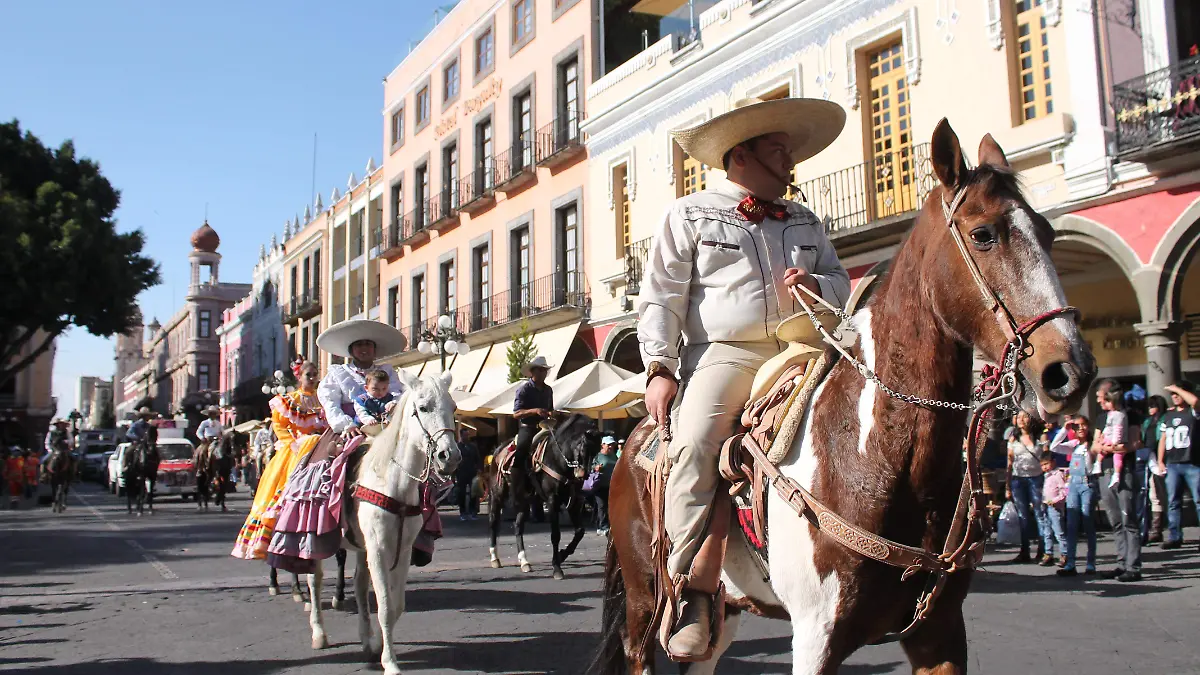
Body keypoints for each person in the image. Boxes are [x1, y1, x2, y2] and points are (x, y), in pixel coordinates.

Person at [639, 96, 850, 657]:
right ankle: (691, 593)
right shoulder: (690, 214)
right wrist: (659, 367)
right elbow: (661, 296)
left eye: (786, 151)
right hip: (725, 353)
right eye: (778, 151)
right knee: (694, 445)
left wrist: (816, 285)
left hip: (805, 345)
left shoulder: (806, 220)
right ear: (741, 156)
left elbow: (840, 282)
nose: (789, 161)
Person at [312, 319, 445, 567]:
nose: (364, 349)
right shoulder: (337, 374)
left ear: (375, 349)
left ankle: (421, 526)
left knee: (417, 464)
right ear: (351, 350)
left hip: (385, 428)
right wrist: (345, 425)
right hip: (351, 428)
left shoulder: (388, 372)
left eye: (368, 345)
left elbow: (400, 395)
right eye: (359, 345)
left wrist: (395, 406)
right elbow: (329, 402)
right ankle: (332, 518)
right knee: (333, 465)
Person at [232, 360, 327, 560]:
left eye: (315, 374)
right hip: (295, 450)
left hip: (321, 446)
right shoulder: (288, 400)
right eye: (308, 374)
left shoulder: (324, 400)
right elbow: (280, 426)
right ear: (299, 377)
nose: (312, 378)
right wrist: (293, 443)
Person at [1092, 379, 1143, 582]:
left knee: (1128, 517)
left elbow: (1134, 442)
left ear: (1109, 395)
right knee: (1114, 521)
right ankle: (1121, 563)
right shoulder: (1101, 418)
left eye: (1099, 396)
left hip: (1125, 471)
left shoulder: (1130, 415)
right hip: (1105, 470)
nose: (1098, 401)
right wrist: (1103, 448)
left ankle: (1133, 566)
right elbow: (1094, 445)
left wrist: (1115, 448)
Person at [1155, 382, 1199, 550]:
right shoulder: (1168, 416)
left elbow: (1195, 402)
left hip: (1193, 463)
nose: (1174, 396)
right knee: (1173, 501)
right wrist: (1160, 461)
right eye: (1172, 394)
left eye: (1178, 394)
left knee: (1199, 500)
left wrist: (1177, 389)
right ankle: (1175, 536)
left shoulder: (1193, 412)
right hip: (1173, 464)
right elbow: (1163, 439)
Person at [1053, 416, 1098, 576]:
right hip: (1073, 485)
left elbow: (1095, 464)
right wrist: (1065, 429)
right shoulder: (1074, 445)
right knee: (1071, 524)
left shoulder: (1093, 444)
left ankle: (1091, 563)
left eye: (1083, 425)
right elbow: (1054, 446)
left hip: (1087, 484)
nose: (1080, 429)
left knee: (1087, 522)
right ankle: (1070, 563)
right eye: (1076, 426)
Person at [1006, 411, 1048, 563]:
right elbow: (1009, 463)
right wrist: (1007, 486)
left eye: (1024, 417)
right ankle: (1025, 550)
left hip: (1036, 479)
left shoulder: (1040, 437)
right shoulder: (1013, 438)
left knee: (1039, 514)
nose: (1021, 420)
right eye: (1018, 417)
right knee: (1023, 516)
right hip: (1018, 480)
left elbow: (1047, 457)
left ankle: (1044, 550)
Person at [1142, 394, 1169, 543]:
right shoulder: (1146, 422)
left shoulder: (1166, 418)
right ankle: (1156, 529)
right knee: (1153, 495)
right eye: (1149, 406)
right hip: (1149, 458)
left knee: (1166, 494)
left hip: (1165, 459)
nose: (1150, 408)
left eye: (1153, 405)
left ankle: (1168, 527)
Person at [1040, 451, 1068, 566]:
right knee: (1047, 531)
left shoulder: (1058, 474)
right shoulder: (1046, 476)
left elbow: (1064, 491)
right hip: (1046, 505)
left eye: (1046, 464)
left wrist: (1055, 500)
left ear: (1053, 462)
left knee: (1059, 532)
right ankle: (1048, 553)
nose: (1044, 467)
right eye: (1042, 465)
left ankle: (1065, 554)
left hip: (1055, 507)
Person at [592, 436, 619, 535]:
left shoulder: (613, 455)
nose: (611, 446)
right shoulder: (598, 456)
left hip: (611, 485)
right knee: (602, 506)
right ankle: (603, 527)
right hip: (599, 485)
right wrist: (596, 468)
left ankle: (603, 526)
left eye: (612, 444)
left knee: (609, 506)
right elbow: (591, 467)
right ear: (602, 445)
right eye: (609, 444)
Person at [1100, 389, 1128, 488]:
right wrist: (1103, 435)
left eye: (1108, 401)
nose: (1105, 403)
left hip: (1118, 441)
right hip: (1109, 438)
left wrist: (1115, 442)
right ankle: (1098, 464)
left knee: (1118, 457)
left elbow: (1118, 429)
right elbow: (1108, 427)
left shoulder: (1119, 415)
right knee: (1101, 450)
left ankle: (1116, 475)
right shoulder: (1111, 414)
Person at [455, 427, 480, 521]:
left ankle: (472, 511)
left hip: (472, 472)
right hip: (461, 472)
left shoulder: (473, 446)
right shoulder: (457, 447)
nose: (467, 437)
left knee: (474, 492)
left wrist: (478, 469)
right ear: (461, 435)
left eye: (467, 435)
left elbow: (477, 458)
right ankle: (462, 512)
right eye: (465, 435)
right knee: (461, 493)